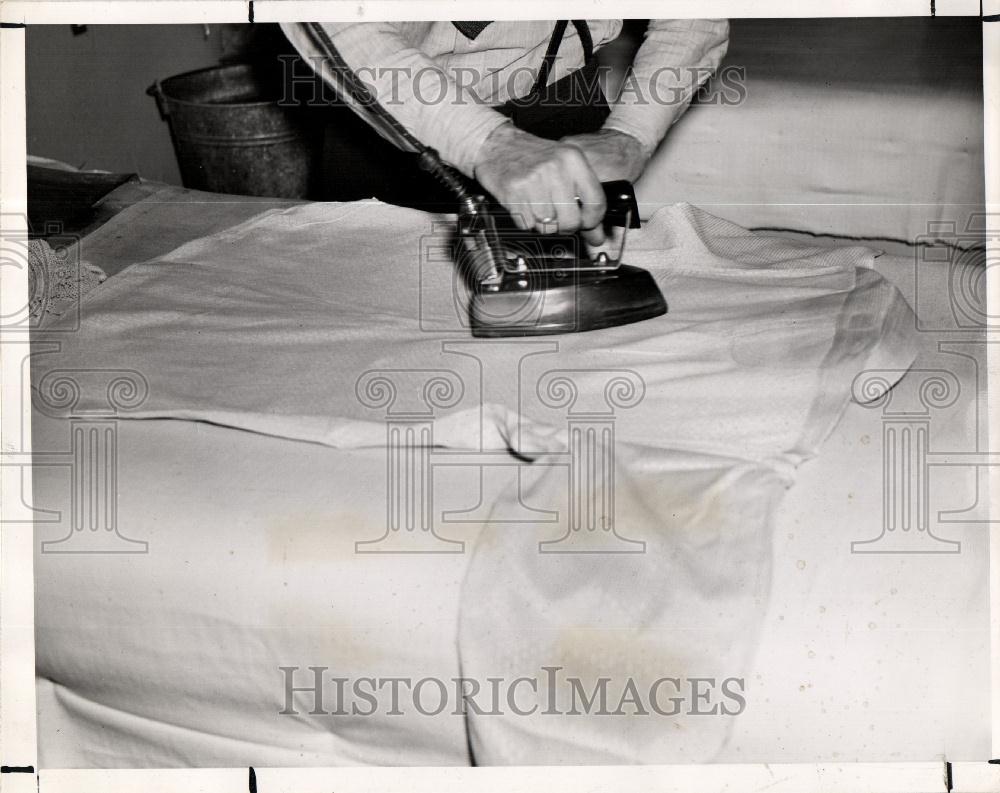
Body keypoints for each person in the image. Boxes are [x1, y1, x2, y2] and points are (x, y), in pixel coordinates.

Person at [281, 20, 728, 244]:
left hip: (563, 107)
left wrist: (632, 132)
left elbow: (694, 17)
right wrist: (487, 143)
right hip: (386, 125)